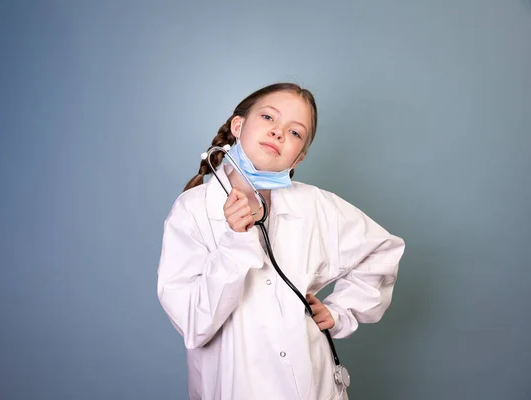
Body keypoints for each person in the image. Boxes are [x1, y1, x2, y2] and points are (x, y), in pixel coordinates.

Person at [156, 82, 406, 400]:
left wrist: (341, 312)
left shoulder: (315, 205)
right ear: (238, 125)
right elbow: (194, 323)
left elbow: (382, 249)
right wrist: (235, 244)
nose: (279, 133)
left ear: (298, 158)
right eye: (268, 118)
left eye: (295, 132)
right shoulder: (192, 210)